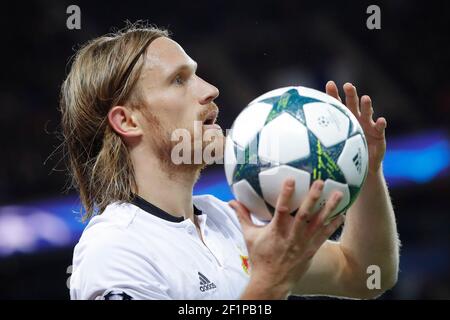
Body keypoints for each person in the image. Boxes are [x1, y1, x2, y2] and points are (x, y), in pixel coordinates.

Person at [61, 24, 399, 300]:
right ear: (128, 121)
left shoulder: (227, 222)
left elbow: (364, 275)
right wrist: (270, 283)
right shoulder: (115, 252)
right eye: (179, 79)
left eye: (197, 75)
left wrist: (362, 167)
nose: (210, 90)